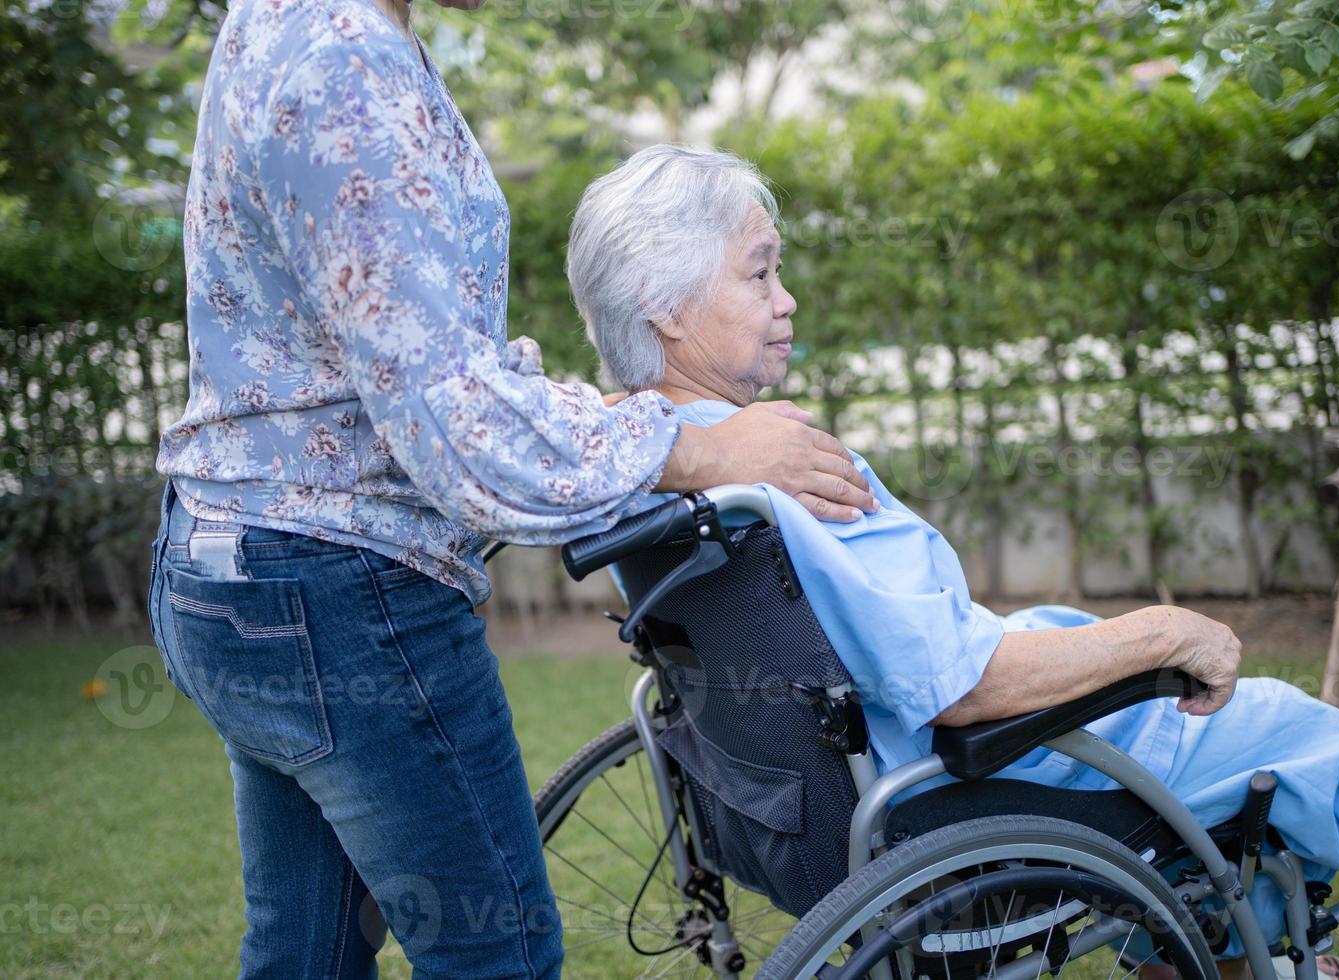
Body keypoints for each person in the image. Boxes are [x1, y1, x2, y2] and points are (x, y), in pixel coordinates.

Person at [147, 2, 877, 976]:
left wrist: (603, 418)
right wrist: (693, 447)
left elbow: (409, 363)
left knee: (307, 950)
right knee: (499, 953)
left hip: (230, 562)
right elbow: (450, 418)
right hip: (338, 584)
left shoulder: (279, 20)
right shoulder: (349, 63)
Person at [566, 143, 1339, 980]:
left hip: (780, 812)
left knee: (1087, 655)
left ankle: (1195, 959)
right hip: (948, 790)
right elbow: (968, 689)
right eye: (759, 275)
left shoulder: (641, 470)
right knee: (1298, 730)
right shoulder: (780, 476)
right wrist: (1166, 631)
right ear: (666, 310)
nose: (786, 302)